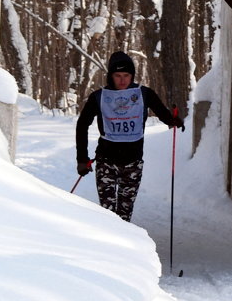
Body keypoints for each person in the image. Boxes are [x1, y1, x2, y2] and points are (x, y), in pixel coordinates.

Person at [75, 51, 182, 222]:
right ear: (111, 76)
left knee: (124, 216)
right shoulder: (99, 96)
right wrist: (82, 158)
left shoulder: (143, 93)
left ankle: (121, 248)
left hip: (133, 163)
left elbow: (162, 113)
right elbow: (82, 125)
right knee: (107, 214)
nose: (122, 80)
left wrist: (173, 120)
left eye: (126, 75)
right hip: (106, 162)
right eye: (118, 75)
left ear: (132, 75)